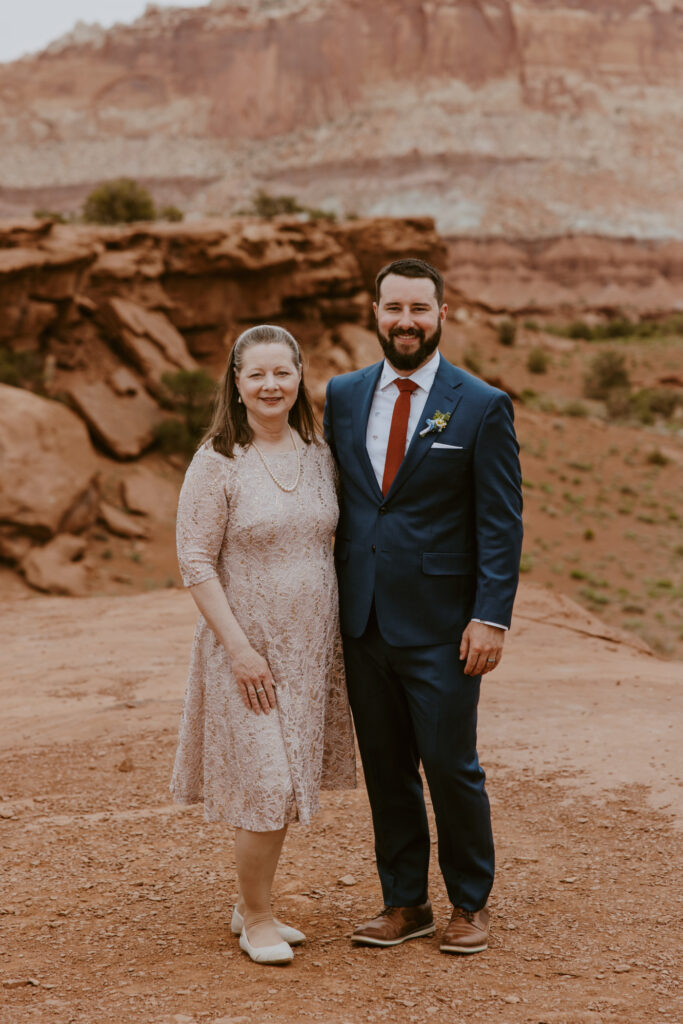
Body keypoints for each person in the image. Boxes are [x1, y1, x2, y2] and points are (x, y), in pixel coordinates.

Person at [323, 258, 523, 955]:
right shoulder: (341, 396)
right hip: (362, 618)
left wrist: (489, 615)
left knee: (449, 764)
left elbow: (499, 520)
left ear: (442, 313)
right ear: (373, 312)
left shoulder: (479, 404)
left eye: (418, 308)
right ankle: (404, 902)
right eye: (392, 308)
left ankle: (470, 903)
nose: (404, 321)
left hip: (444, 625)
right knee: (385, 766)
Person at [171, 324, 356, 966]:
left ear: (299, 377)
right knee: (268, 785)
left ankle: (249, 901)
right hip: (244, 649)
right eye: (257, 375)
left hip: (309, 650)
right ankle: (257, 917)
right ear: (237, 384)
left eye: (282, 373)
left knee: (280, 782)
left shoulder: (319, 452)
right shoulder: (218, 459)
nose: (271, 385)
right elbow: (193, 558)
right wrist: (239, 648)